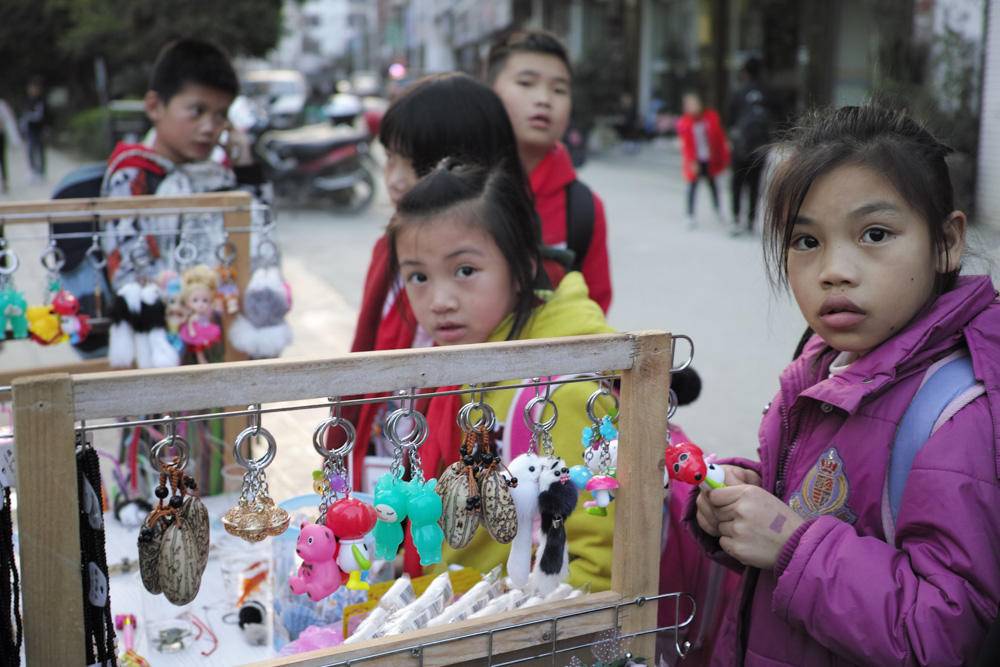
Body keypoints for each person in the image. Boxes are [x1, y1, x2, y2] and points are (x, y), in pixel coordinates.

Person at [688, 104, 999, 665]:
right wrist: (744, 496)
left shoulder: (957, 411)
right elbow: (823, 498)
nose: (834, 270)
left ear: (947, 241)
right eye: (806, 241)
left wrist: (789, 543)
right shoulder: (825, 360)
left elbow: (945, 634)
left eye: (874, 234)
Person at [387, 157, 616, 590]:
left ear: (523, 267)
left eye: (465, 271)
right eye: (418, 276)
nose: (439, 301)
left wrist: (507, 618)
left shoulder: (559, 392)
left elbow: (595, 568)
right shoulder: (462, 364)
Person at [344, 73, 533, 487]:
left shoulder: (506, 283)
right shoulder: (388, 251)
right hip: (383, 459)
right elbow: (366, 351)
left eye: (416, 163)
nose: (394, 179)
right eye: (389, 158)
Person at [100, 38, 266, 286]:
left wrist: (246, 170)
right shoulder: (132, 175)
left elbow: (263, 246)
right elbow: (128, 273)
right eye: (197, 111)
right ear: (154, 107)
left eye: (221, 115)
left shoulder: (221, 177)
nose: (209, 127)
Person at [486, 29, 612, 312]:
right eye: (526, 83)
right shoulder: (454, 190)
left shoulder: (583, 208)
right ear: (490, 92)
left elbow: (593, 313)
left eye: (559, 90)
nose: (544, 99)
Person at [728, 56, 774, 236]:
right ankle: (750, 221)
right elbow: (779, 117)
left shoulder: (739, 92)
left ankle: (735, 218)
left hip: (741, 145)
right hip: (760, 146)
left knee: (737, 183)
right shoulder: (768, 92)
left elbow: (730, 119)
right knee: (755, 183)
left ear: (745, 72)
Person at [675, 92, 729, 229]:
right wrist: (692, 161)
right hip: (695, 160)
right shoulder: (684, 123)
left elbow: (719, 138)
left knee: (713, 185)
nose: (692, 107)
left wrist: (723, 157)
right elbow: (686, 146)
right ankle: (690, 215)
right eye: (688, 104)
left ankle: (717, 210)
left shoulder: (711, 117)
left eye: (694, 103)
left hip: (710, 159)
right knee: (692, 187)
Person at [20, 78, 48, 182]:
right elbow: (23, 116)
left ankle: (41, 172)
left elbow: (44, 116)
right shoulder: (27, 101)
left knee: (40, 150)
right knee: (30, 150)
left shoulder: (41, 101)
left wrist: (46, 128)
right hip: (30, 129)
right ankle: (33, 171)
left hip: (39, 129)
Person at [0, 97, 21, 194]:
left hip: (1, 135)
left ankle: (4, 181)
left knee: (2, 159)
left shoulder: (2, 105)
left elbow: (9, 121)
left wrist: (15, 140)